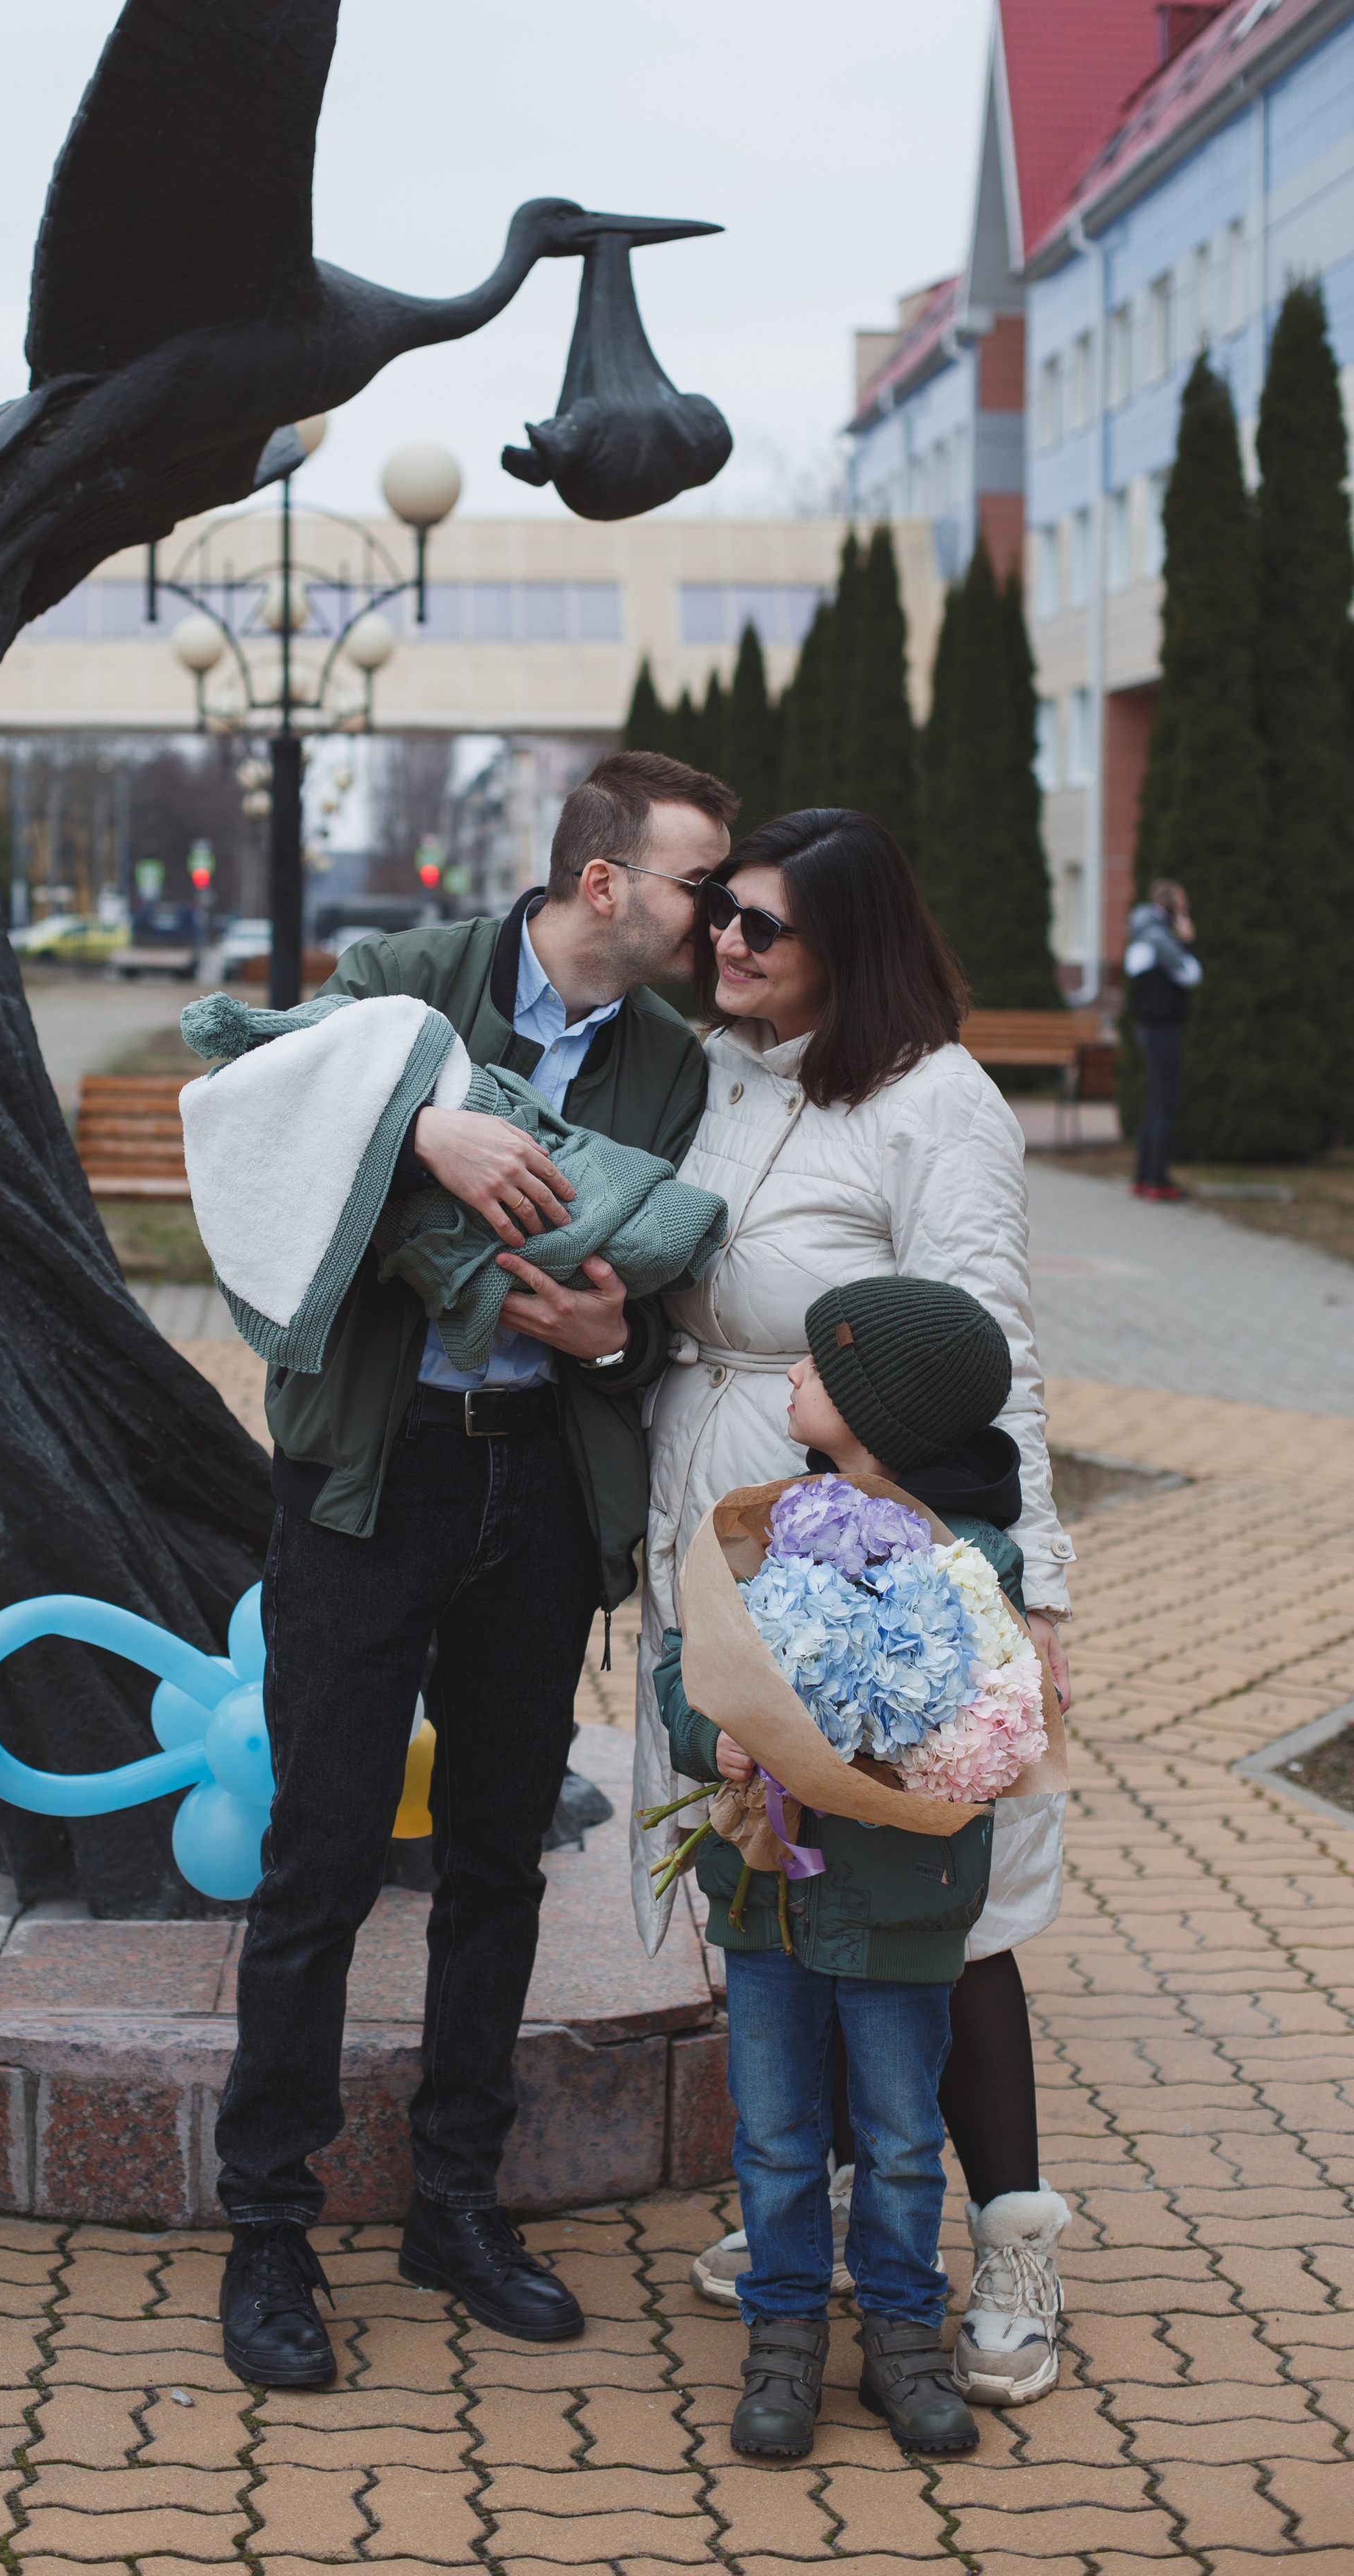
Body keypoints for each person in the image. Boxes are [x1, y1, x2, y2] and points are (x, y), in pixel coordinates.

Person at [215, 748, 736, 2387]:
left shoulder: (668, 1059)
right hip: (373, 1477)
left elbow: (659, 1271)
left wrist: (613, 1330)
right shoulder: (399, 981)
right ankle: (267, 2226)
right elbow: (271, 1150)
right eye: (692, 884)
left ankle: (454, 2198)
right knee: (319, 1856)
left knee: (499, 1857)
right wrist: (423, 1133)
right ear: (602, 885)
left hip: (536, 1486)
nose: (712, 915)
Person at [640, 808, 1075, 2407]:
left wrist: (1020, 1589)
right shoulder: (726, 1070)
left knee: (953, 1914)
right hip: (732, 1542)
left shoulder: (931, 1101)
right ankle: (800, 2238)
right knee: (777, 1872)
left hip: (897, 1557)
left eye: (765, 924)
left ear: (852, 940)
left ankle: (1009, 2243)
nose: (729, 943)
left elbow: (987, 1350)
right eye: (723, 917)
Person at [654, 1273, 1030, 2458]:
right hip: (770, 1900)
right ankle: (783, 2344)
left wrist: (890, 1727)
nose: (791, 1377)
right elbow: (687, 1659)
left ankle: (906, 2344)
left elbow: (984, 1716)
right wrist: (707, 1725)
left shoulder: (971, 1555)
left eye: (818, 1366)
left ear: (881, 1409)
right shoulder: (762, 1520)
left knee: (903, 2134)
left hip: (903, 1903)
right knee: (773, 2136)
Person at [1123, 879, 1201, 1202]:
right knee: (1164, 1102)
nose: (1187, 911)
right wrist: (1189, 941)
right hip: (1162, 1027)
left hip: (1148, 1027)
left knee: (1155, 1102)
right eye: (1182, 906)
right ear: (1168, 907)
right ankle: (1158, 1182)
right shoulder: (1160, 938)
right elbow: (1191, 974)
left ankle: (1144, 1178)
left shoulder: (1141, 932)